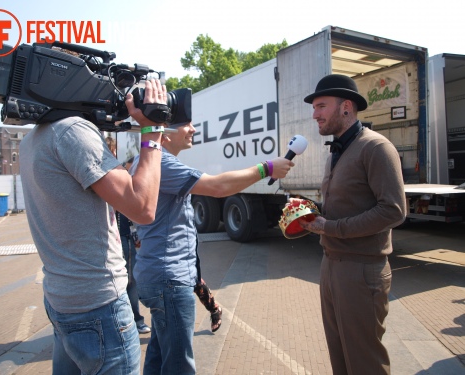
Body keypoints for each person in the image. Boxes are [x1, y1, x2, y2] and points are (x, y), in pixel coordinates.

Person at [19, 79, 166, 375]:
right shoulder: (72, 130)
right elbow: (142, 207)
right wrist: (153, 129)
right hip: (99, 306)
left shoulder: (32, 139)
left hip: (62, 301)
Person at [131, 123, 295, 375]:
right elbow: (218, 187)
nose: (193, 128)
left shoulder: (148, 162)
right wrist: (267, 168)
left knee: (159, 355)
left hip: (159, 275)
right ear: (164, 132)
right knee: (178, 367)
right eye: (185, 123)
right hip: (169, 280)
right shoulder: (162, 163)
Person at [296, 74, 406, 375]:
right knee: (340, 358)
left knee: (365, 363)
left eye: (321, 106)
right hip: (331, 264)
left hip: (362, 270)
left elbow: (394, 211)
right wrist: (308, 212)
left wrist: (328, 228)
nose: (314, 114)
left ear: (346, 107)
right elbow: (344, 205)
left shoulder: (376, 148)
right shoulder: (337, 151)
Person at [105, 141, 152, 335]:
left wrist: (135, 233)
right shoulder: (105, 174)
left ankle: (134, 319)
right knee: (121, 281)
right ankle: (130, 320)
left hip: (123, 235)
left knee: (130, 280)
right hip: (111, 238)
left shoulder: (121, 171)